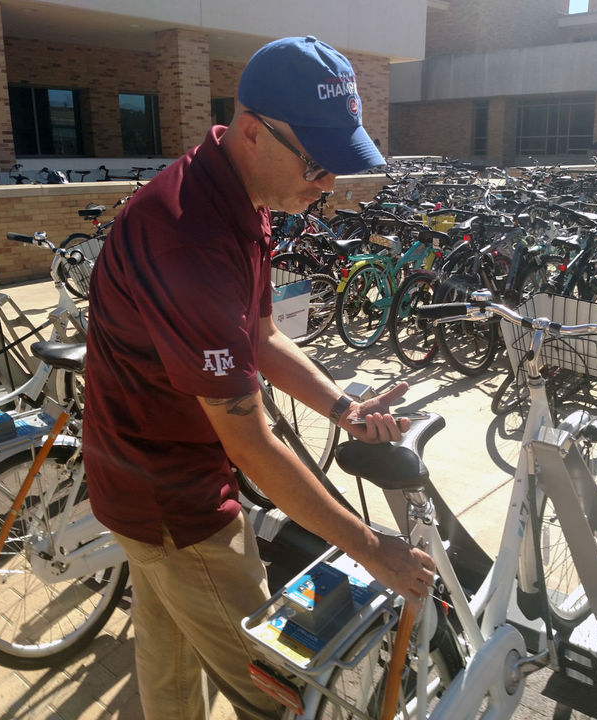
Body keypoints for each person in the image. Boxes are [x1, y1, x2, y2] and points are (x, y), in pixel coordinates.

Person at [83, 36, 435, 720]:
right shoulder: (190, 236)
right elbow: (250, 443)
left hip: (148, 482)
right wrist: (372, 551)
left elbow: (261, 333)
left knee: (171, 666)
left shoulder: (242, 196)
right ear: (251, 132)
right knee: (281, 697)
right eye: (317, 161)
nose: (328, 181)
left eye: (338, 163)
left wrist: (343, 407)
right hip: (173, 505)